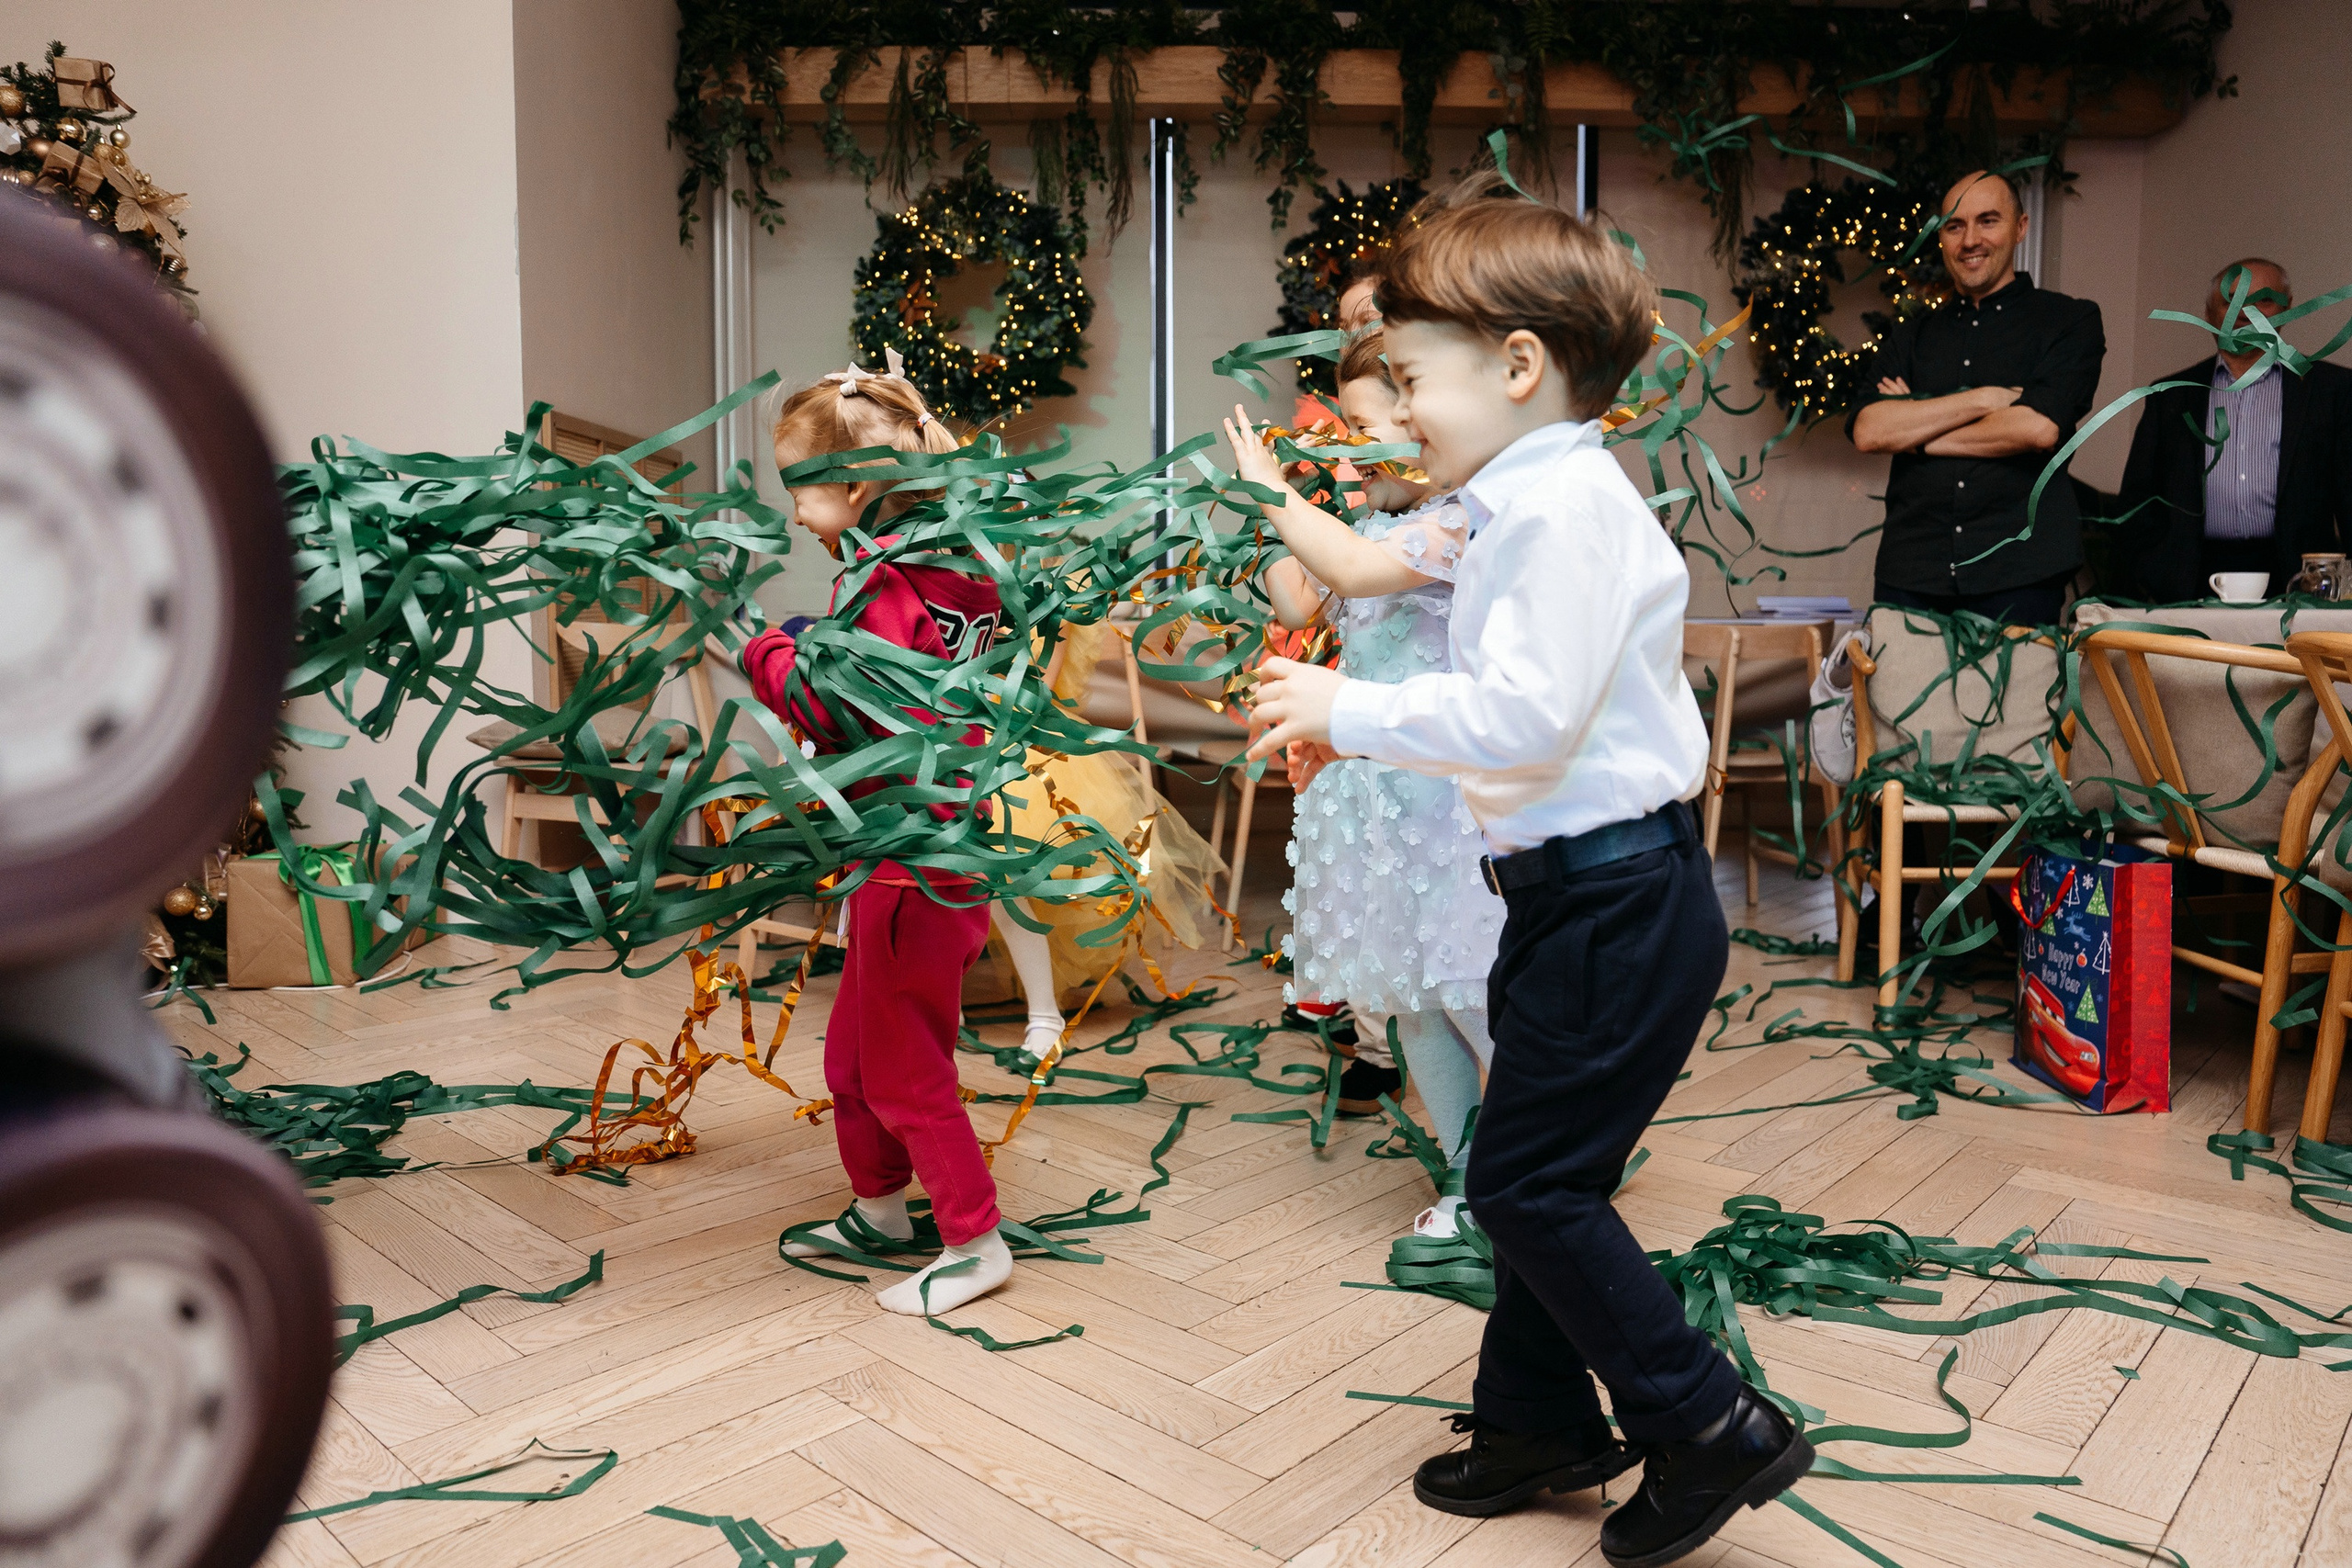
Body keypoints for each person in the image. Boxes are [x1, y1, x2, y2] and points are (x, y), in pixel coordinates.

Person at [1246, 177, 1810, 1566]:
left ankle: (1709, 1419)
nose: (1397, 405)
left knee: (1532, 1185)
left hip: (1619, 896)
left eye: (1412, 375)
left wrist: (1345, 714)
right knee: (1526, 1167)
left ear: (1516, 365)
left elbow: (1525, 715)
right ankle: (1535, 1422)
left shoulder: (1558, 513)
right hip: (1575, 893)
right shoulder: (1519, 500)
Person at [743, 360, 1016, 1317]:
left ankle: (972, 1241)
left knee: (904, 1065)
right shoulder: (962, 564)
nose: (794, 516)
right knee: (855, 1055)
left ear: (856, 484)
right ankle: (880, 1212)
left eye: (799, 490)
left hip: (916, 863)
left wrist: (767, 649)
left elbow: (832, 707)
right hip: (916, 852)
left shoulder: (893, 580)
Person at [1226, 327, 1503, 1238]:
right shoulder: (1369, 523)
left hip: (1447, 804)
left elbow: (1345, 570)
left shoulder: (1454, 523)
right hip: (1373, 800)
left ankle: (1545, 1164)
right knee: (1409, 998)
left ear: (1419, 427)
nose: (1338, 449)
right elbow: (1303, 596)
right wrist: (1260, 531)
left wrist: (1275, 490)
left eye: (1355, 428)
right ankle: (1468, 1179)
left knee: (1474, 995)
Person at [1849, 170, 2107, 627]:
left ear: (2020, 228)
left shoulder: (2069, 320)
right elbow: (1870, 431)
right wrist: (1985, 400)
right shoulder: (1911, 335)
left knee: (2015, 702)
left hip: (2020, 574)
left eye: (1988, 221)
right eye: (1954, 225)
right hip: (1911, 572)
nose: (1970, 239)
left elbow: (2037, 428)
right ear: (1941, 237)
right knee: (1900, 701)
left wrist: (1917, 430)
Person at [2119, 257, 2352, 600]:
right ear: (2210, 312)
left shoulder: (2333, 390)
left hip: (2299, 580)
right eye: (2232, 300)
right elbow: (2136, 507)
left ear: (2288, 309)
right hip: (2187, 580)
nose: (2246, 312)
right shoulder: (2170, 396)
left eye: (2265, 300)